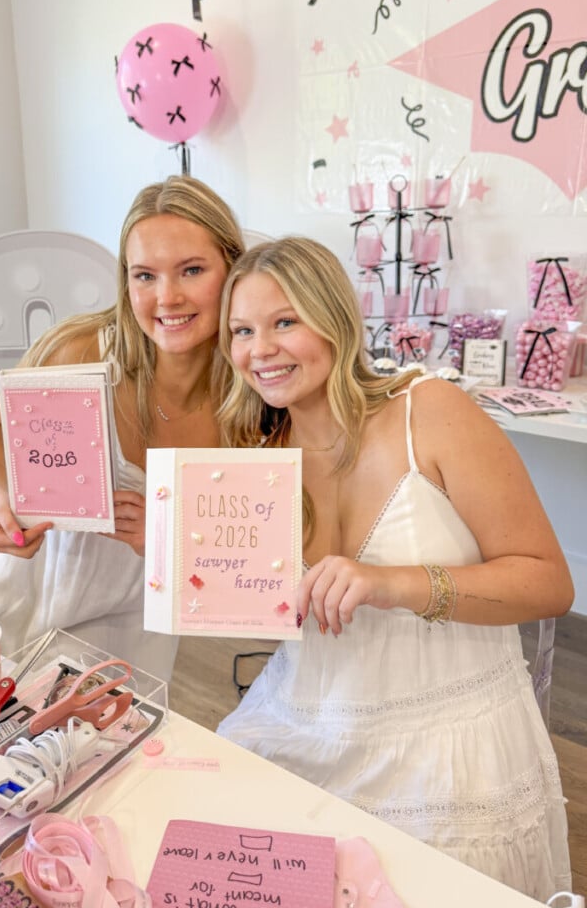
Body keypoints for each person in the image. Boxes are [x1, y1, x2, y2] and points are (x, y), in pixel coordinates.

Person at [215, 236, 574, 900]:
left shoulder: (428, 411)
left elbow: (549, 582)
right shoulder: (255, 450)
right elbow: (266, 607)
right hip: (303, 718)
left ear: (334, 318)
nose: (259, 350)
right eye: (241, 330)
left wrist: (392, 583)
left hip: (443, 746)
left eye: (284, 322)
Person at [0, 176, 245, 683]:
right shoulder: (82, 352)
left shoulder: (250, 396)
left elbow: (243, 550)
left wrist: (172, 541)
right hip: (16, 591)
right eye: (145, 275)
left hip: (130, 617)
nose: (167, 297)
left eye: (192, 270)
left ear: (233, 269)